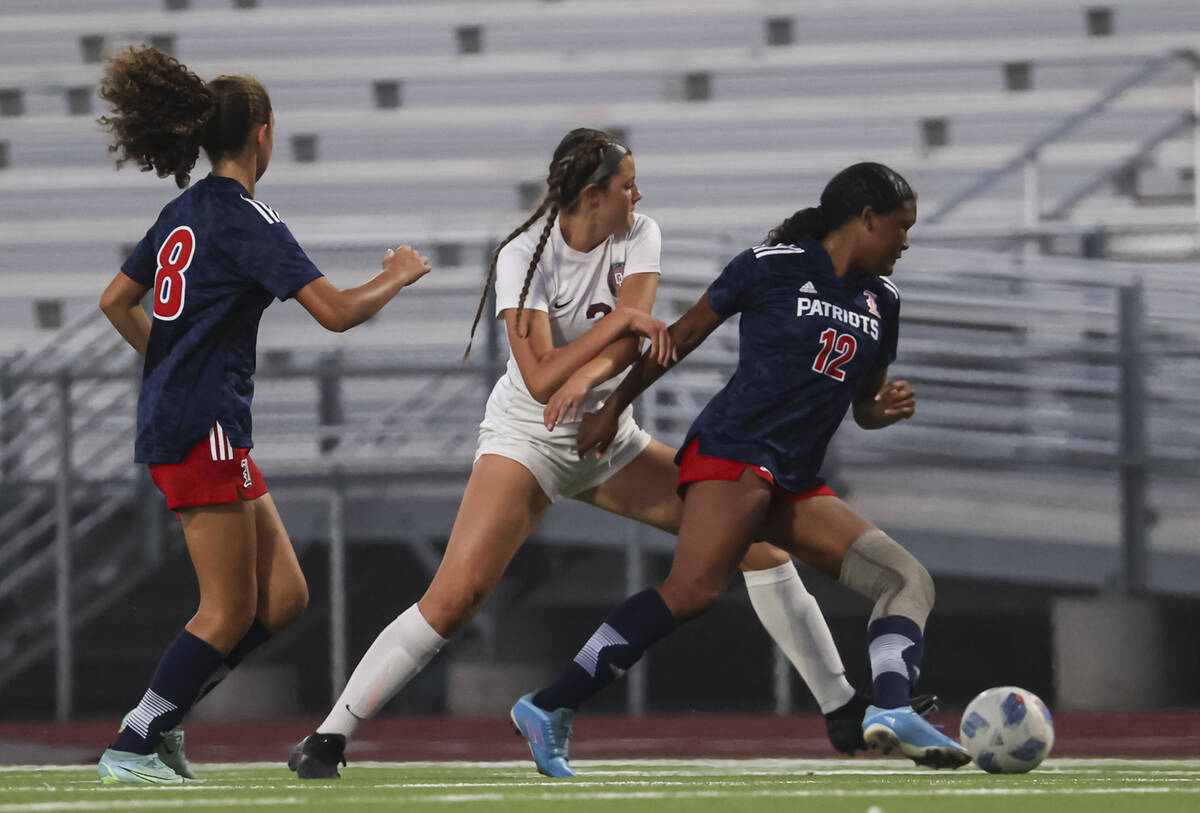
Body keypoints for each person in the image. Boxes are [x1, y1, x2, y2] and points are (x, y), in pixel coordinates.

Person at [288, 128, 880, 779]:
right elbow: (542, 378)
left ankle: (843, 709)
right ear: (594, 195)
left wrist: (592, 369)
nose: (639, 193)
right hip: (526, 438)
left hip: (605, 432)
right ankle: (328, 736)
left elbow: (637, 342)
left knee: (753, 541)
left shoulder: (641, 233)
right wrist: (609, 334)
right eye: (627, 184)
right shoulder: (521, 254)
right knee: (454, 599)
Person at [511, 162, 971, 777]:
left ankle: (888, 710)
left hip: (793, 478)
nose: (906, 242)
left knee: (906, 580)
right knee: (693, 591)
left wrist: (881, 410)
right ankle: (549, 705)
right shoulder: (770, 264)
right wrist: (612, 408)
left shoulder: (882, 301)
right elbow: (679, 339)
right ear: (865, 220)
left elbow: (863, 405)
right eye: (900, 227)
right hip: (733, 455)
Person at [94, 45, 431, 785]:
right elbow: (337, 313)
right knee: (225, 609)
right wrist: (398, 274)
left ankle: (162, 717)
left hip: (197, 421)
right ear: (263, 134)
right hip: (202, 426)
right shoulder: (247, 218)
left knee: (284, 597)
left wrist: (170, 360)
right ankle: (138, 738)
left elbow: (115, 300)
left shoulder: (182, 210)